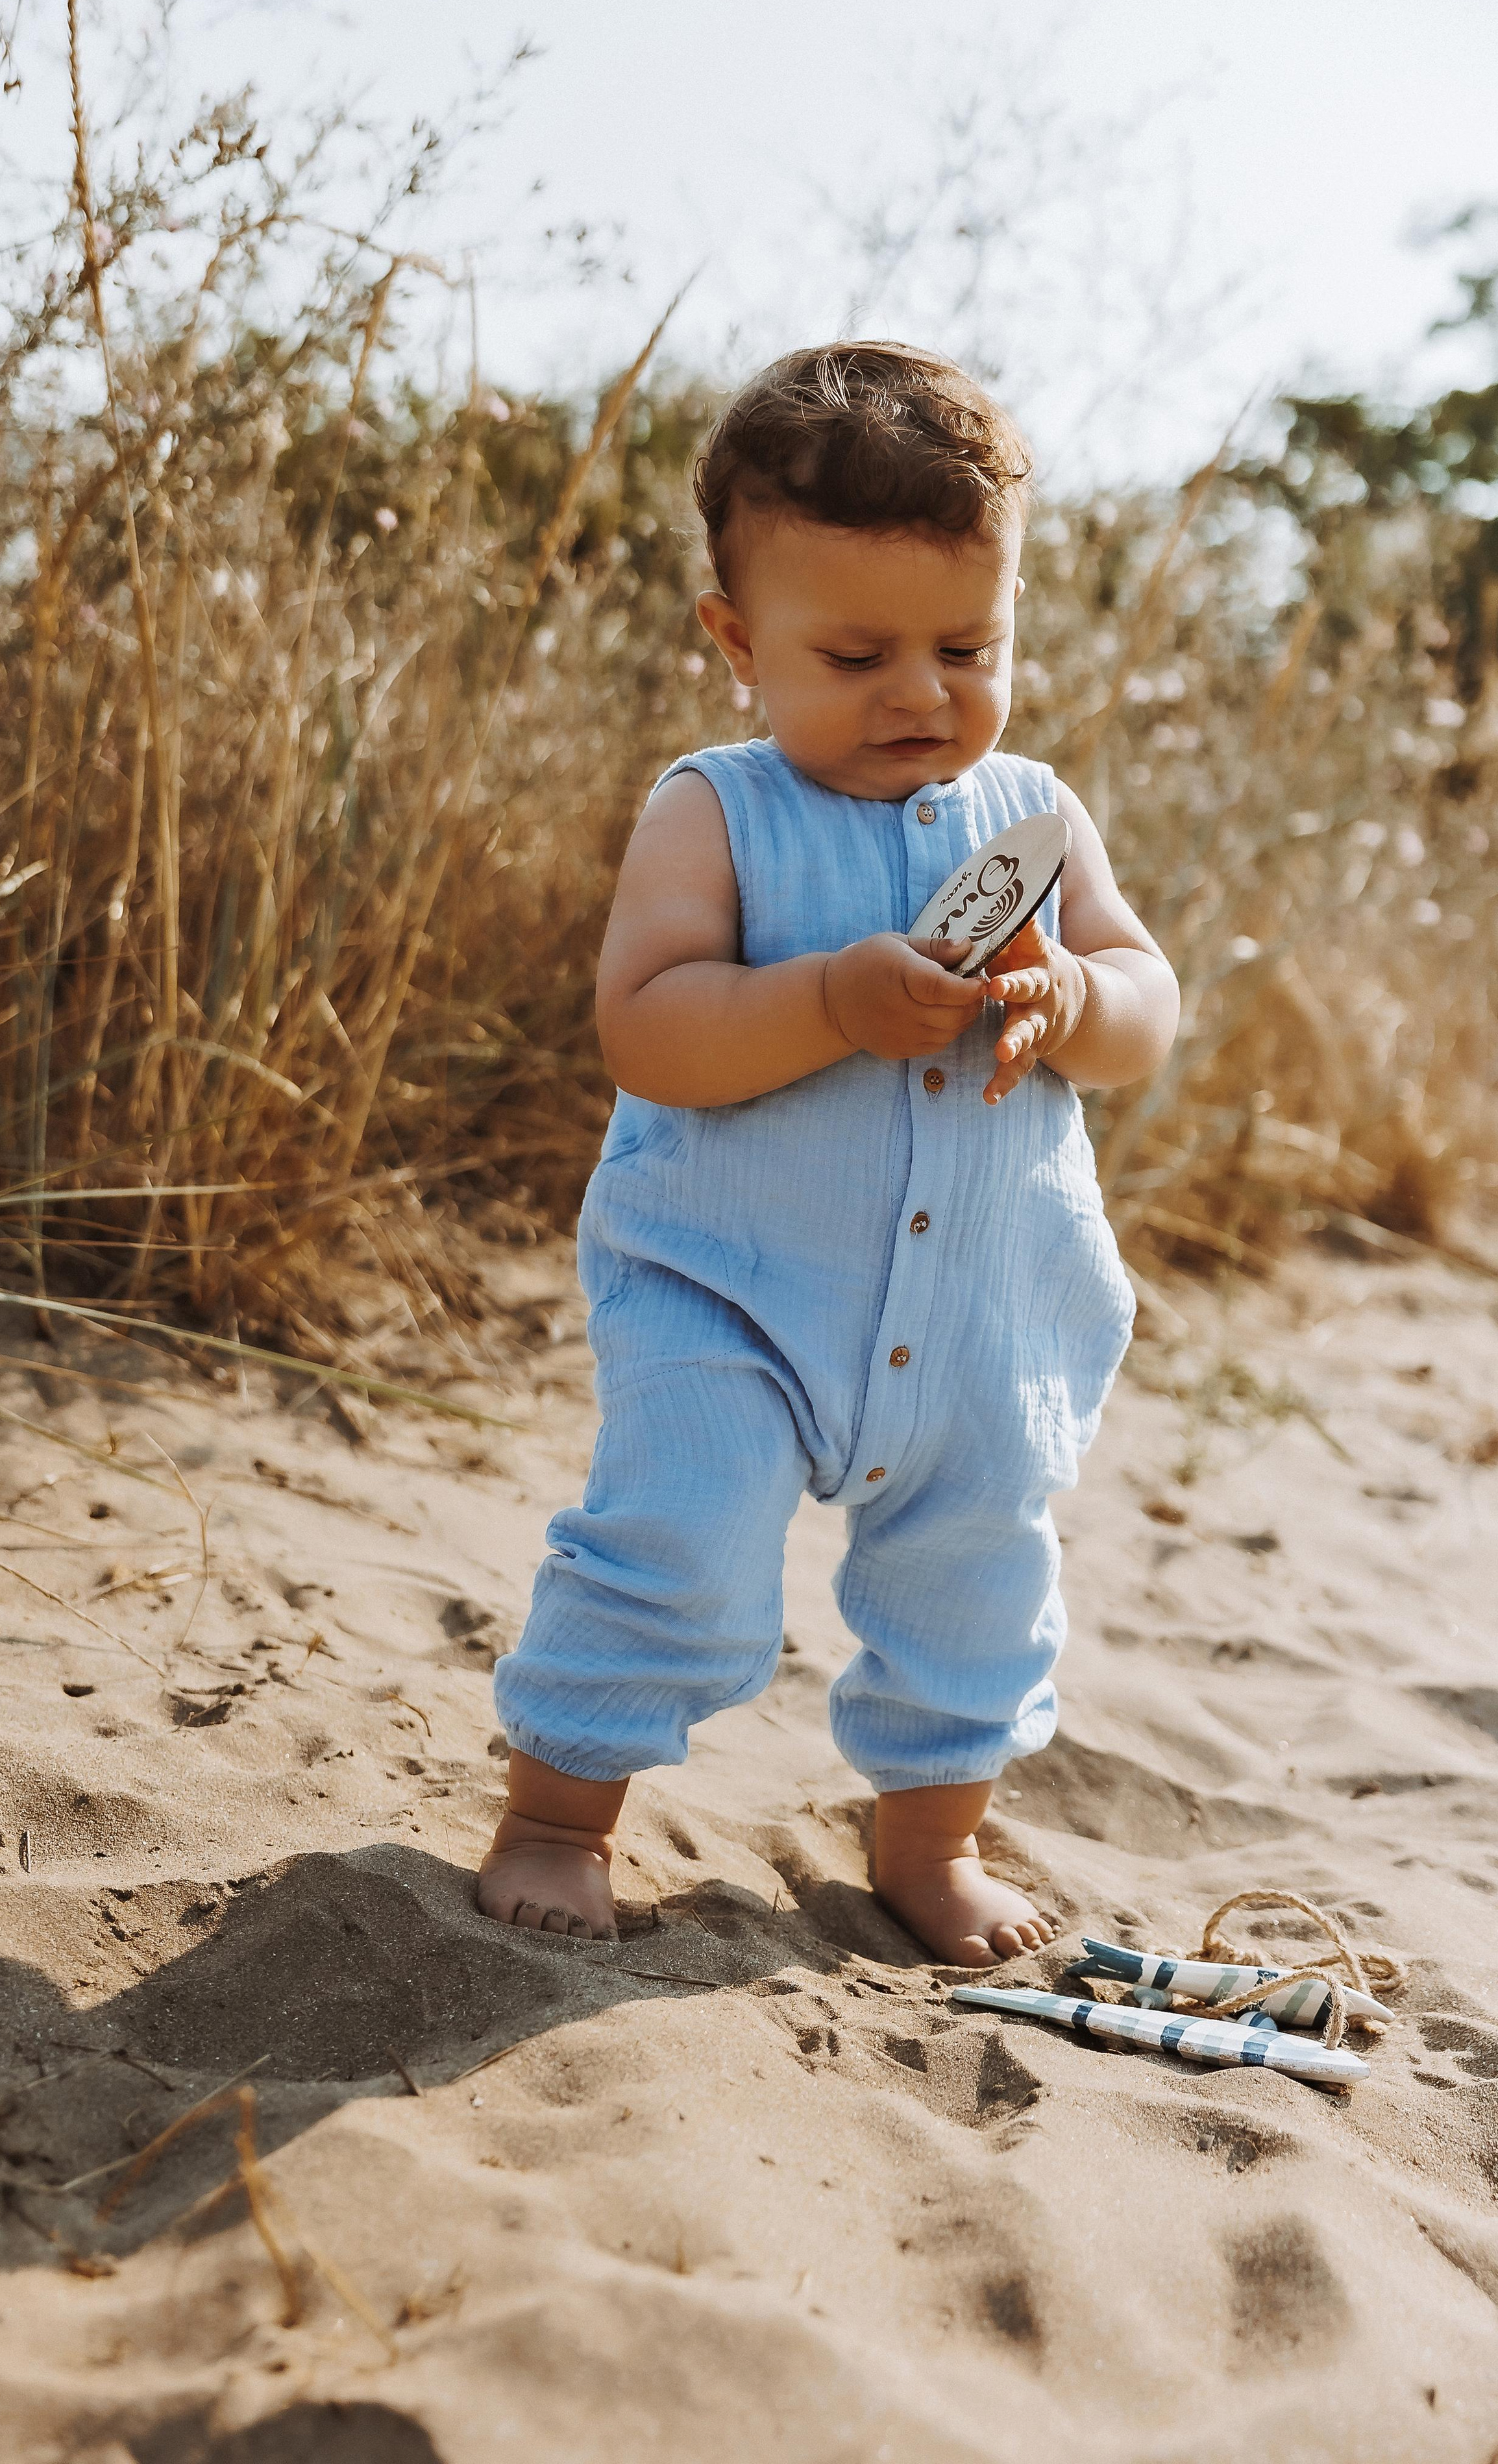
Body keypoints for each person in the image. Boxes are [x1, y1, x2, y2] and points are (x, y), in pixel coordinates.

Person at [478, 342, 1180, 1966]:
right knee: (676, 1542)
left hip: (984, 1320)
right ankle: (555, 1817)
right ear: (738, 642)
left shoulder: (1037, 817)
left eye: (966, 644)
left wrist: (1072, 993)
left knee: (974, 1590)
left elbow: (1146, 1011)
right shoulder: (712, 812)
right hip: (731, 1295)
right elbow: (647, 1025)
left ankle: (931, 1852)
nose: (921, 693)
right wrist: (821, 1000)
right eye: (855, 652)